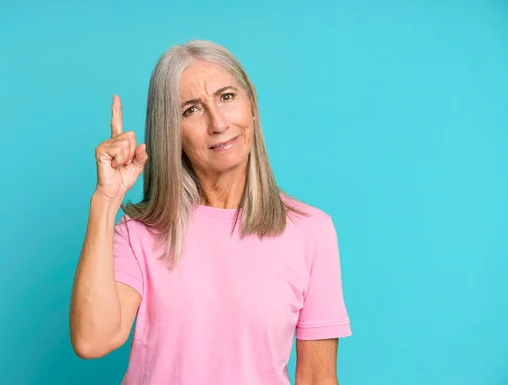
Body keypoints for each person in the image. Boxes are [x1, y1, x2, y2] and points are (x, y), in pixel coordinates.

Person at [69, 39, 352, 385]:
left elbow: (318, 379)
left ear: (251, 105)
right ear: (170, 131)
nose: (218, 123)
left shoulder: (311, 232)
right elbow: (92, 340)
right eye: (192, 109)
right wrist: (106, 200)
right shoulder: (138, 232)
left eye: (227, 97)